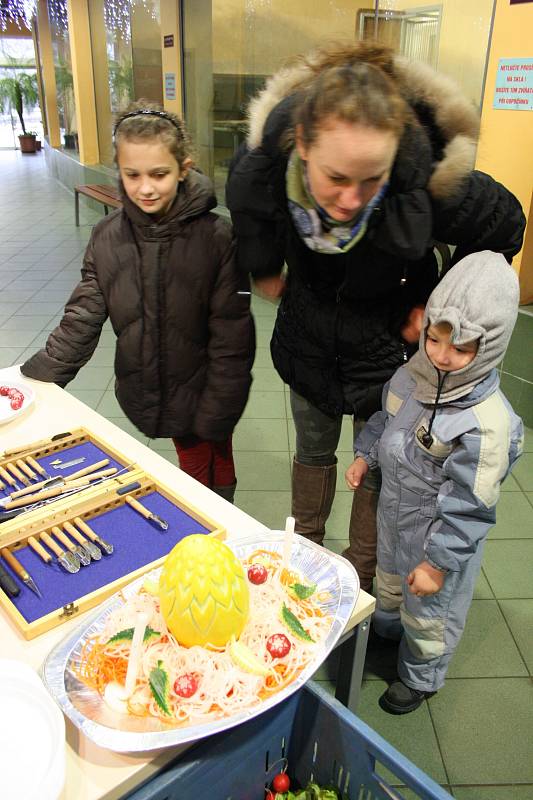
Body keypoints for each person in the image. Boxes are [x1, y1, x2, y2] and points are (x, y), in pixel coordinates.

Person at [225, 41, 525, 592]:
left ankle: (361, 574)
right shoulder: (268, 169)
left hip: (388, 357)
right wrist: (263, 263)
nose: (350, 199)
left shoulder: (429, 181)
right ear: (302, 147)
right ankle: (303, 558)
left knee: (380, 464)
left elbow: (506, 224)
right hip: (309, 342)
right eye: (336, 177)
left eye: (371, 180)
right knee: (311, 452)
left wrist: (442, 311)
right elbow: (246, 204)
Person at [21, 102, 255, 502]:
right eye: (133, 175)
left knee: (203, 467)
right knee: (203, 459)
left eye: (159, 174)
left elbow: (233, 336)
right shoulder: (107, 238)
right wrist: (34, 383)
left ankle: (213, 526)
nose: (146, 187)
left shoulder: (217, 238)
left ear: (184, 168)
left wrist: (219, 406)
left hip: (204, 386)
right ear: (119, 171)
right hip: (150, 381)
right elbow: (81, 318)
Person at [345, 250, 523, 714]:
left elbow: (471, 506)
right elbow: (386, 421)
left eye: (461, 348)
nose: (443, 357)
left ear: (491, 348)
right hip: (394, 517)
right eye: (436, 339)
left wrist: (440, 563)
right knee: (390, 584)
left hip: (437, 536)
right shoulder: (411, 375)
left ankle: (422, 676)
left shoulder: (486, 423)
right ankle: (388, 632)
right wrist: (366, 457)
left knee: (431, 612)